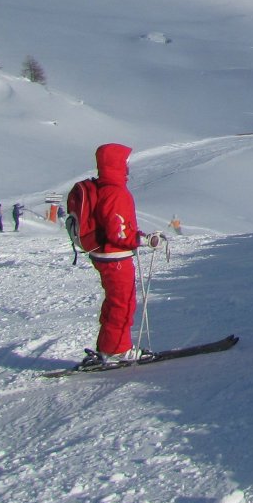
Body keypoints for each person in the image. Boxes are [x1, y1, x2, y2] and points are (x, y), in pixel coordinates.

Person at [80, 143, 161, 369]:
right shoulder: (115, 192)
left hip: (105, 254)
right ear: (116, 164)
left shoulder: (103, 187)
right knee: (123, 303)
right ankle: (118, 349)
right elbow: (118, 233)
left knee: (114, 301)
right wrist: (142, 240)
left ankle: (108, 346)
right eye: (125, 162)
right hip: (115, 257)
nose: (128, 166)